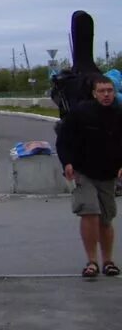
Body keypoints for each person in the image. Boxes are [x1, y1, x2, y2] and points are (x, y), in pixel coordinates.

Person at [55, 74, 122, 278]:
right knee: (89, 213)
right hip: (83, 171)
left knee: (106, 218)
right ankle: (92, 261)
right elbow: (63, 140)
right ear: (94, 93)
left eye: (110, 90)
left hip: (108, 173)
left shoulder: (119, 114)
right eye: (102, 91)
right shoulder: (80, 113)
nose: (106, 95)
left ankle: (108, 261)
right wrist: (67, 162)